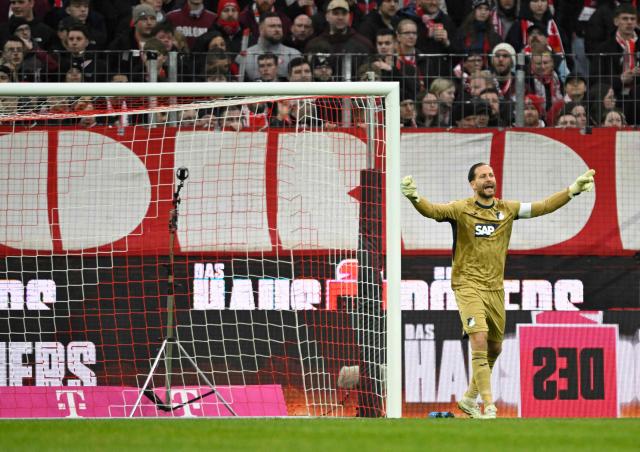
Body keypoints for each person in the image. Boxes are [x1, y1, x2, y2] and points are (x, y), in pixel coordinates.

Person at [400, 164, 596, 419]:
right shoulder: (461, 209)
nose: (488, 179)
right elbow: (433, 211)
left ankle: (469, 399)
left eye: (491, 175)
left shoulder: (507, 210)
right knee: (479, 339)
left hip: (495, 288)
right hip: (467, 284)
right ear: (473, 184)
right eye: (482, 176)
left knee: (495, 348)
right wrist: (415, 197)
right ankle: (489, 405)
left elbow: (544, 206)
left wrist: (573, 190)